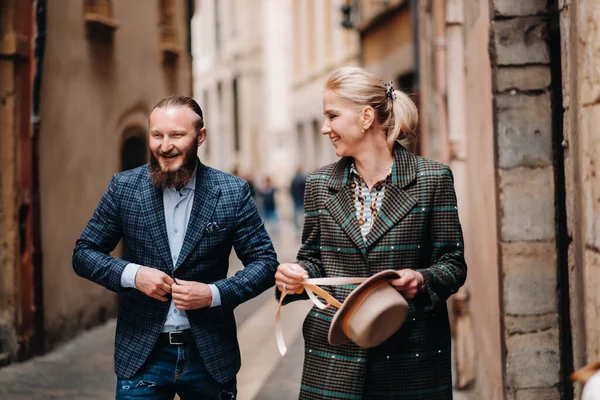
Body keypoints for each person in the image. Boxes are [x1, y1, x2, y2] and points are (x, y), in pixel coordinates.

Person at [275, 67, 467, 400]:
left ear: (366, 117)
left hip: (410, 357)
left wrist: (421, 280)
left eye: (332, 116)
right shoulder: (320, 185)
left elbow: (453, 264)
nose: (325, 128)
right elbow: (313, 260)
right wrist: (298, 275)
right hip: (334, 358)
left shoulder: (432, 179)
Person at [73, 95, 278, 399]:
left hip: (209, 354)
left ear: (200, 136)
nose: (164, 145)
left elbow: (265, 263)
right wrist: (133, 274)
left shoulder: (233, 192)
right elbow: (84, 253)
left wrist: (213, 294)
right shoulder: (124, 188)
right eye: (157, 135)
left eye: (177, 135)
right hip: (142, 355)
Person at [290, 166, 307, 232]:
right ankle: (304, 226)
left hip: (296, 198)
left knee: (296, 213)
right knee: (304, 213)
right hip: (303, 198)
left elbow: (291, 189)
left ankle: (297, 228)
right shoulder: (304, 178)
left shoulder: (294, 179)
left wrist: (293, 196)